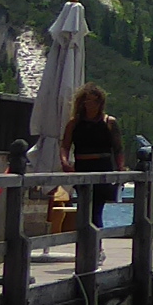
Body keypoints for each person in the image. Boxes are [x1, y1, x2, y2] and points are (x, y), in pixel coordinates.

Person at [62, 83, 123, 225]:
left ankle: (94, 236)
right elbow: (65, 146)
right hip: (82, 166)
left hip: (102, 165)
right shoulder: (74, 123)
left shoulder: (109, 122)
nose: (91, 105)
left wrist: (120, 168)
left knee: (97, 207)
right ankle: (86, 236)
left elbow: (118, 149)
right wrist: (64, 162)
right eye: (88, 101)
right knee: (84, 206)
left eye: (95, 101)